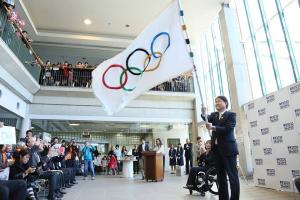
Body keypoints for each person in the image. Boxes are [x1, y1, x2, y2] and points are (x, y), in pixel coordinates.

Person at [201, 96, 240, 200]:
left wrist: (213, 127)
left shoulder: (231, 114)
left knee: (232, 177)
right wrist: (203, 112)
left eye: (219, 101)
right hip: (216, 151)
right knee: (221, 178)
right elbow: (206, 118)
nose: (216, 103)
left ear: (225, 103)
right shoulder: (214, 115)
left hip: (228, 150)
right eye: (215, 102)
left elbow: (228, 128)